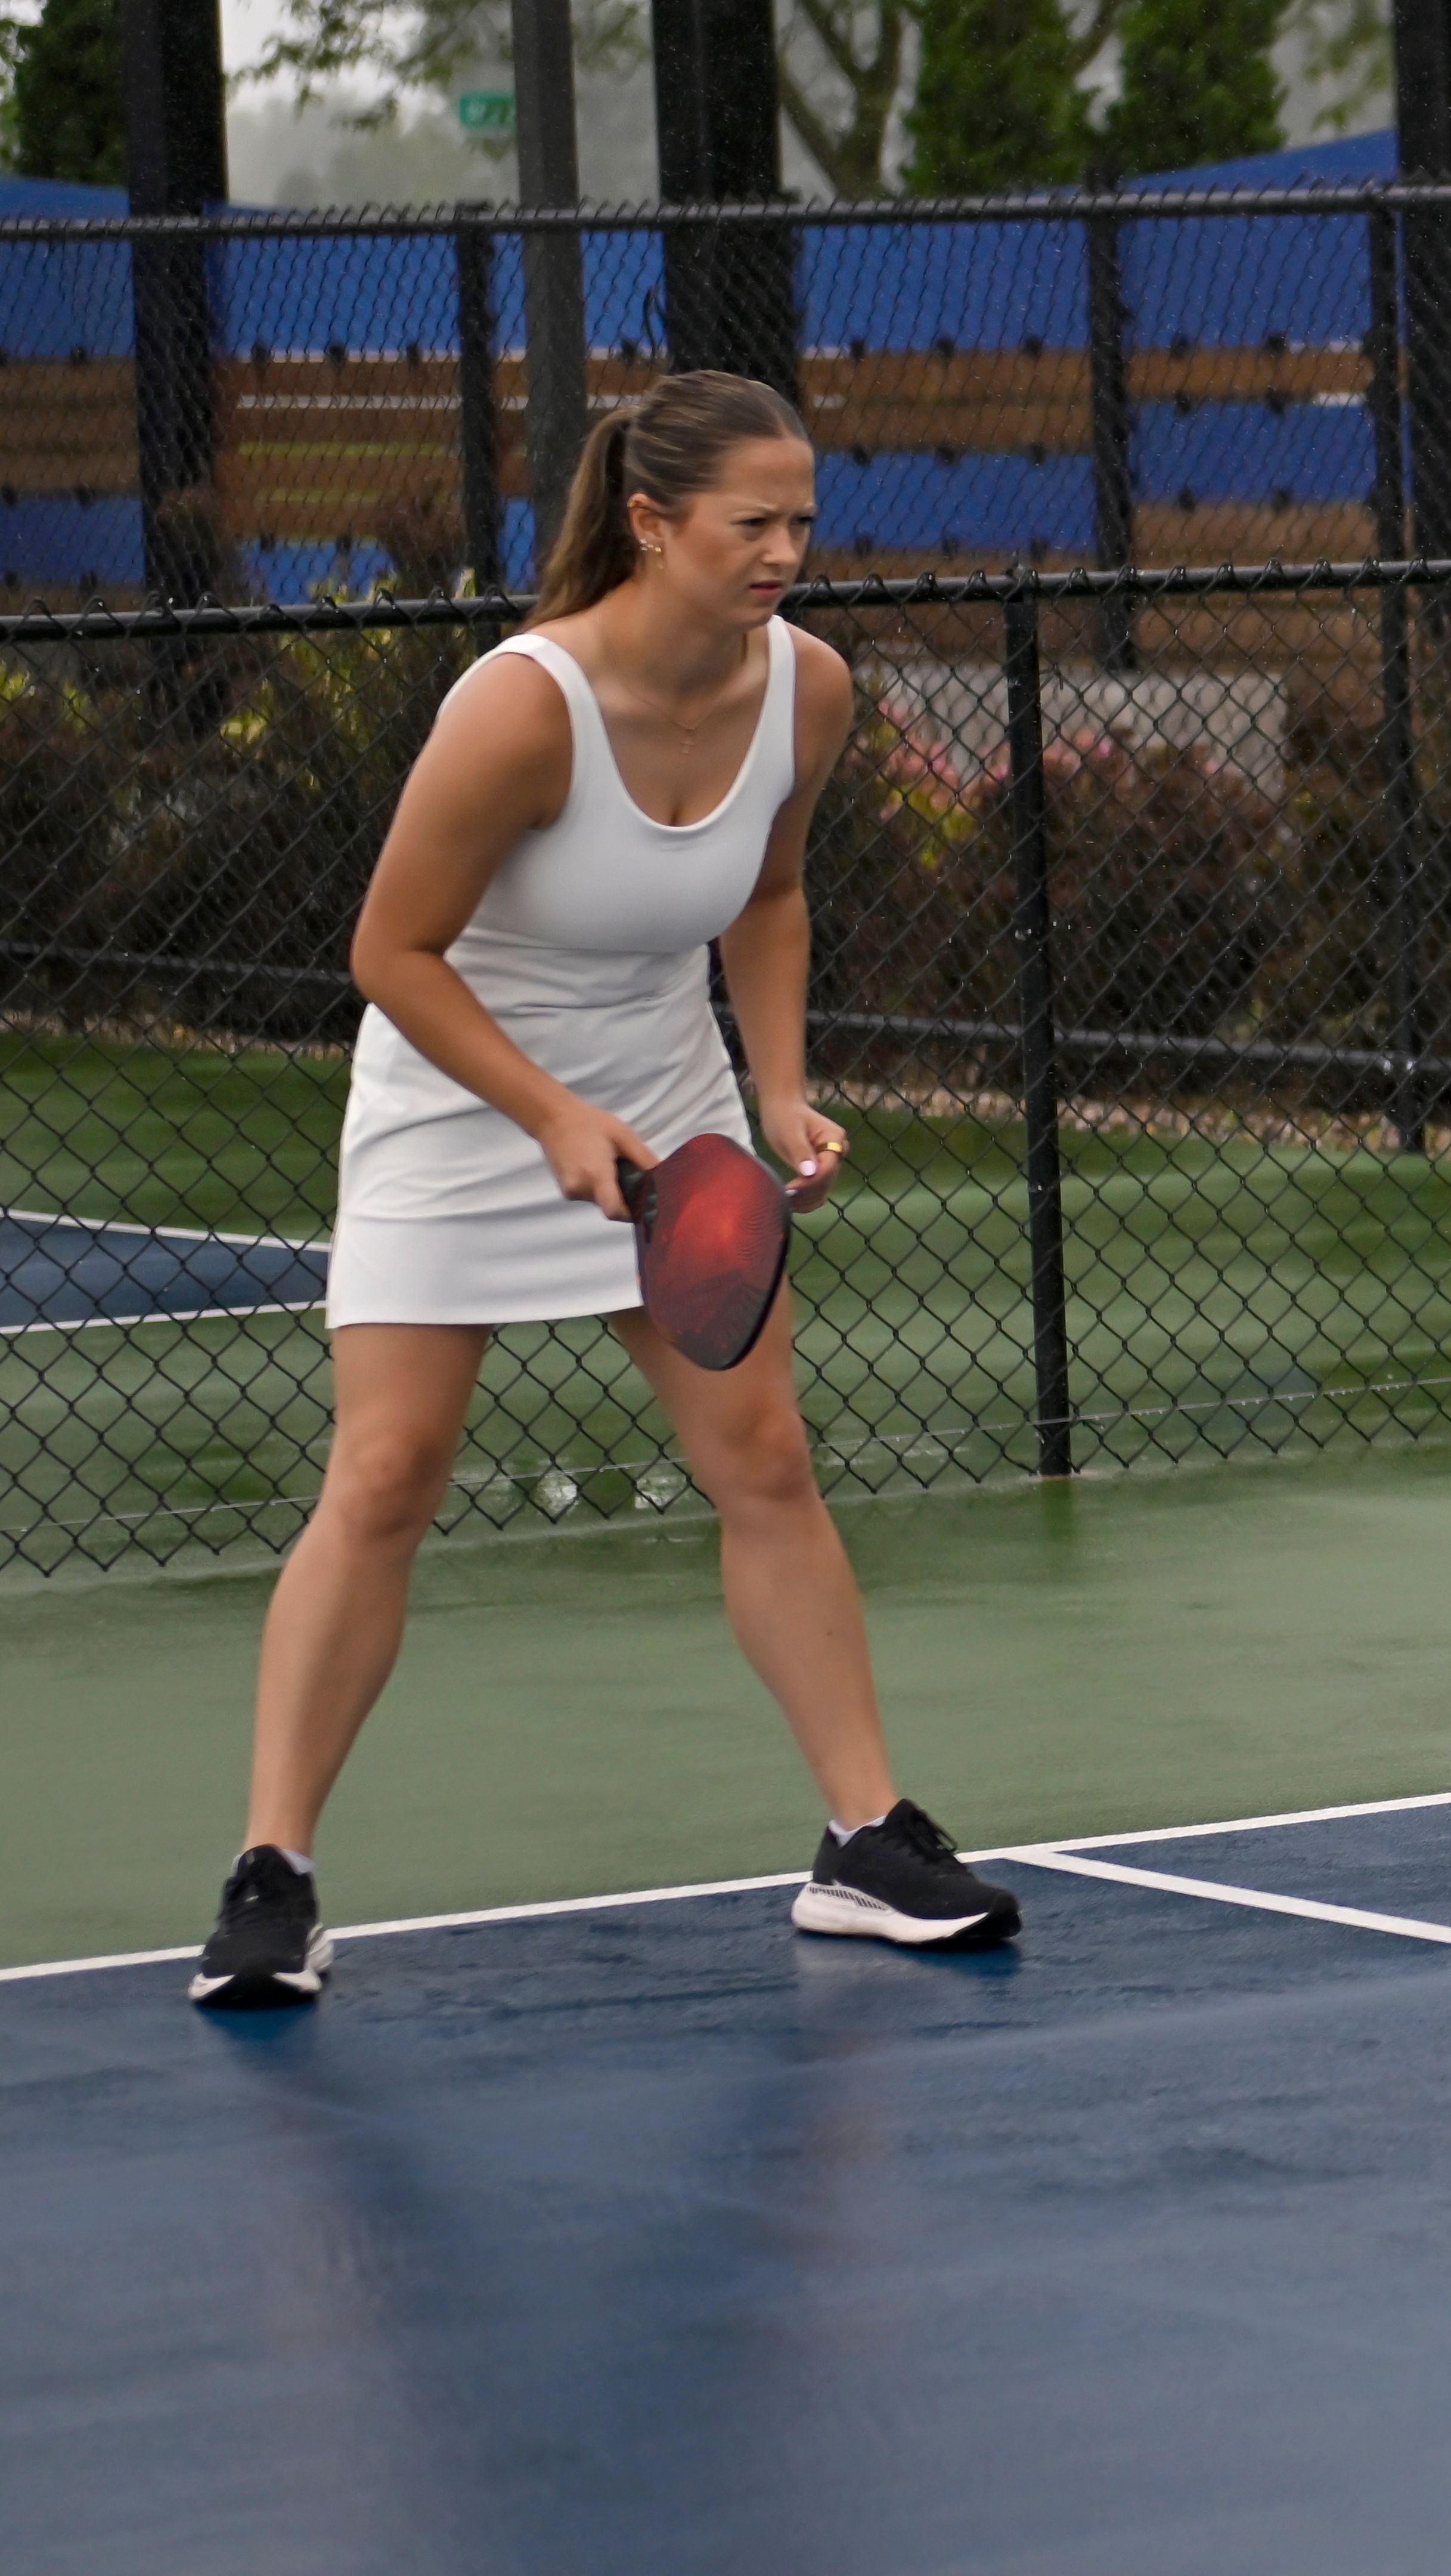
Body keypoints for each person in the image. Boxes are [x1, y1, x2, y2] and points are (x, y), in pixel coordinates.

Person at [187, 370, 1022, 2009]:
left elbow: (766, 898)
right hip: (459, 1088)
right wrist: (549, 1116)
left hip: (662, 1086)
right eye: (751, 523)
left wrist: (775, 1089)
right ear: (651, 522)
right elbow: (389, 952)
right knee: (387, 1475)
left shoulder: (811, 691)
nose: (787, 550)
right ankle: (271, 1874)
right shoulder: (521, 705)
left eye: (803, 521)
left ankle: (864, 1841)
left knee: (764, 1455)